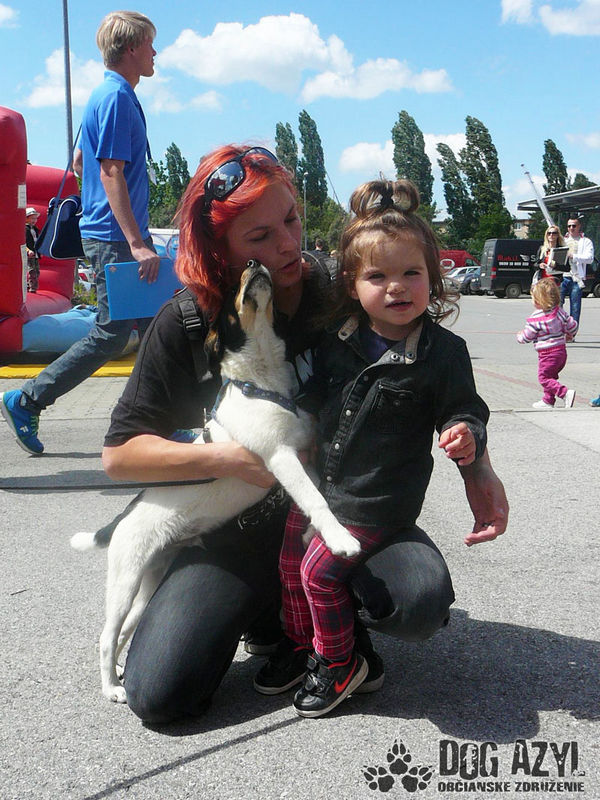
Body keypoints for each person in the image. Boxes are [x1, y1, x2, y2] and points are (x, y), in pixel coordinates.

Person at [98, 145, 508, 725]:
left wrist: (477, 466)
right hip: (231, 531)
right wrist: (235, 458)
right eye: (260, 236)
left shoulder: (339, 291)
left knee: (416, 599)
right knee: (160, 694)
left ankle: (329, 641)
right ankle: (266, 613)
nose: (289, 245)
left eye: (291, 219)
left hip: (342, 504)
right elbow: (120, 457)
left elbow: (434, 373)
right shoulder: (188, 320)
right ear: (219, 247)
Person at [253, 180, 493, 718]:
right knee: (291, 564)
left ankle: (340, 663)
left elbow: (466, 407)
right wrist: (293, 422)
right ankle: (303, 645)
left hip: (376, 503)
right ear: (351, 283)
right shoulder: (336, 337)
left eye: (412, 273)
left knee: (318, 574)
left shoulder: (443, 353)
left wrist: (466, 433)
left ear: (434, 278)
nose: (396, 287)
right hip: (320, 489)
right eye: (377, 276)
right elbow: (315, 393)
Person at [0, 11, 160, 456]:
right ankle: (27, 400)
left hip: (114, 233)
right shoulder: (116, 97)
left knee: (156, 328)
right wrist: (135, 242)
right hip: (116, 239)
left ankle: (159, 422)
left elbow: (79, 163)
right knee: (112, 334)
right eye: (150, 44)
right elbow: (109, 171)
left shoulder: (110, 95)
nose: (155, 53)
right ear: (131, 48)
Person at [517, 278, 577, 409]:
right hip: (561, 352)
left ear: (538, 300)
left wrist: (520, 336)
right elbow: (573, 325)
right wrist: (570, 334)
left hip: (547, 354)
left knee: (544, 378)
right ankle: (548, 400)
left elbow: (527, 337)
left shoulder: (536, 318)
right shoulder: (559, 312)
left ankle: (565, 393)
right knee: (551, 377)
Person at [560, 216, 594, 326]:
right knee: (557, 305)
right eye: (569, 226)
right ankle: (559, 329)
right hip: (562, 277)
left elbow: (590, 258)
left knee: (575, 307)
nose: (571, 228)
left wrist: (573, 256)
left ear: (579, 226)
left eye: (574, 226)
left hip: (576, 278)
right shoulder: (562, 240)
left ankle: (572, 331)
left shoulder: (586, 241)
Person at [25, 207, 41, 292]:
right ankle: (32, 288)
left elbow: (37, 241)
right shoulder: (25, 229)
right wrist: (28, 250)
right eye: (32, 218)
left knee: (37, 271)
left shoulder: (35, 229)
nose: (34, 220)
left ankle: (28, 285)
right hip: (29, 253)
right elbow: (23, 242)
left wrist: (39, 251)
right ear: (26, 219)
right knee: (32, 271)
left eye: (35, 218)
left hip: (35, 253)